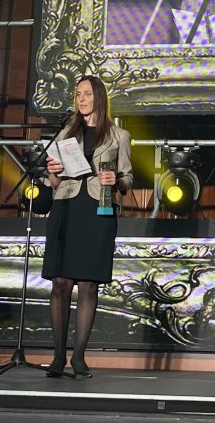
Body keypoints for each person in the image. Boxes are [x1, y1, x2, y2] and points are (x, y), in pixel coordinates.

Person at [42, 75, 133, 377]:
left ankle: (79, 357)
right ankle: (58, 356)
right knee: (60, 282)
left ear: (99, 98)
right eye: (78, 94)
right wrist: (53, 171)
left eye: (87, 93)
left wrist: (116, 179)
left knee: (88, 284)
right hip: (66, 206)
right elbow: (54, 182)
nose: (81, 99)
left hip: (98, 210)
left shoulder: (119, 135)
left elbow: (128, 179)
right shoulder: (65, 133)